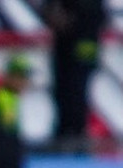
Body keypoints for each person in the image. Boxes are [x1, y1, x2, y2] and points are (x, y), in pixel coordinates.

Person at [42, 0, 105, 152]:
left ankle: (74, 135)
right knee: (63, 90)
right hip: (66, 46)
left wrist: (70, 21)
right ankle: (65, 133)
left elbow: (96, 16)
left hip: (82, 44)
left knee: (76, 91)